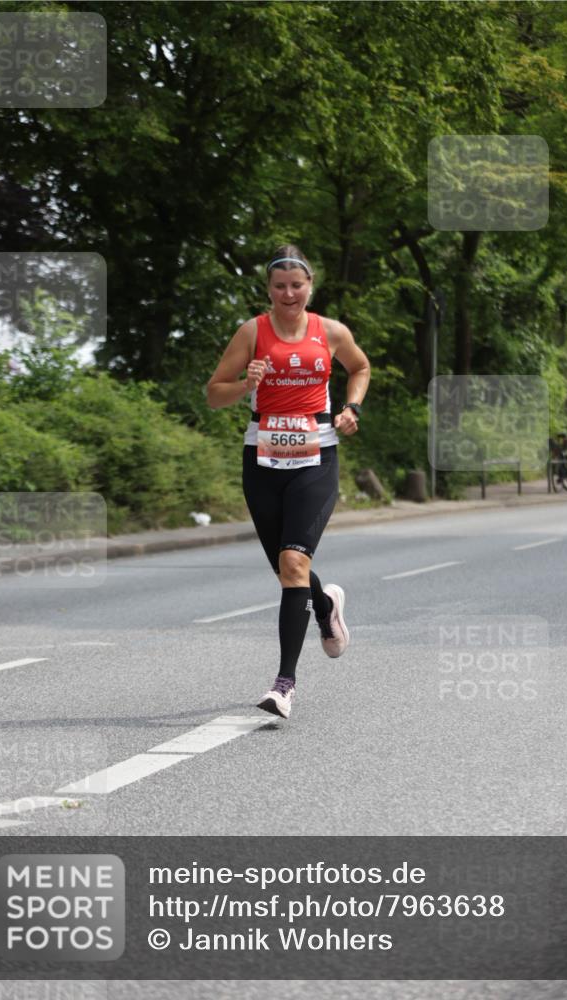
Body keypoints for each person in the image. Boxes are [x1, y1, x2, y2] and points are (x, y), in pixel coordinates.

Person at [206, 244, 371, 718]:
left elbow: (359, 368)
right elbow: (214, 395)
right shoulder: (252, 333)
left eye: (296, 285)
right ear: (269, 290)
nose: (288, 293)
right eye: (279, 286)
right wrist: (246, 384)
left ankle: (284, 685)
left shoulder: (331, 332)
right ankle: (326, 604)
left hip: (316, 459)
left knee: (294, 563)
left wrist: (351, 408)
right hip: (261, 462)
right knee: (286, 569)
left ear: (309, 287)